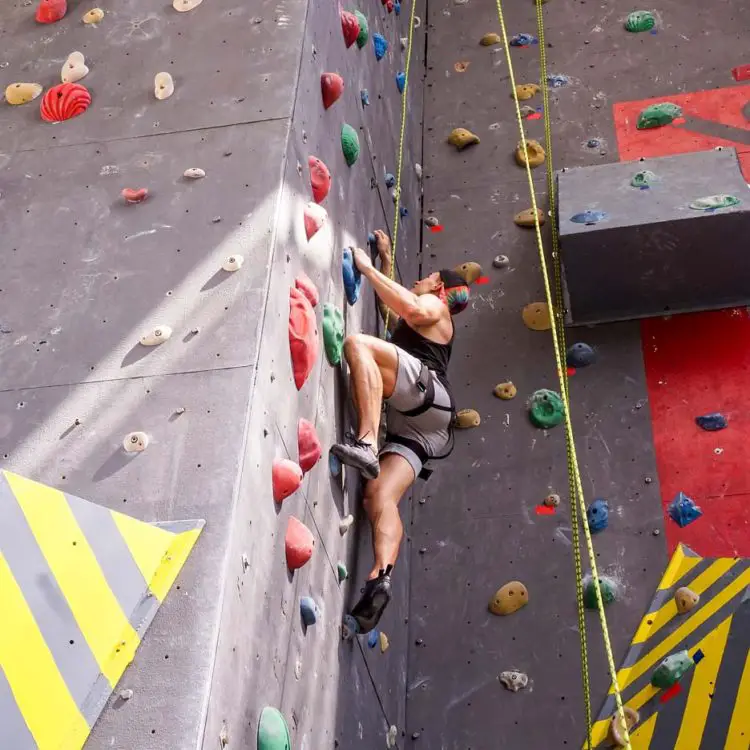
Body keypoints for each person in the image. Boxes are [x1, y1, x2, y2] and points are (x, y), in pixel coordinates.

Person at [332, 230, 472, 633]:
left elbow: (411, 306)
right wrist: (386, 262)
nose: (420, 281)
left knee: (358, 345)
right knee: (379, 496)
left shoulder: (435, 307)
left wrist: (365, 267)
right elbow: (396, 317)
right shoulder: (425, 325)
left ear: (441, 286)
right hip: (428, 425)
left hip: (426, 396)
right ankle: (381, 575)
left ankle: (366, 441)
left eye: (427, 277)